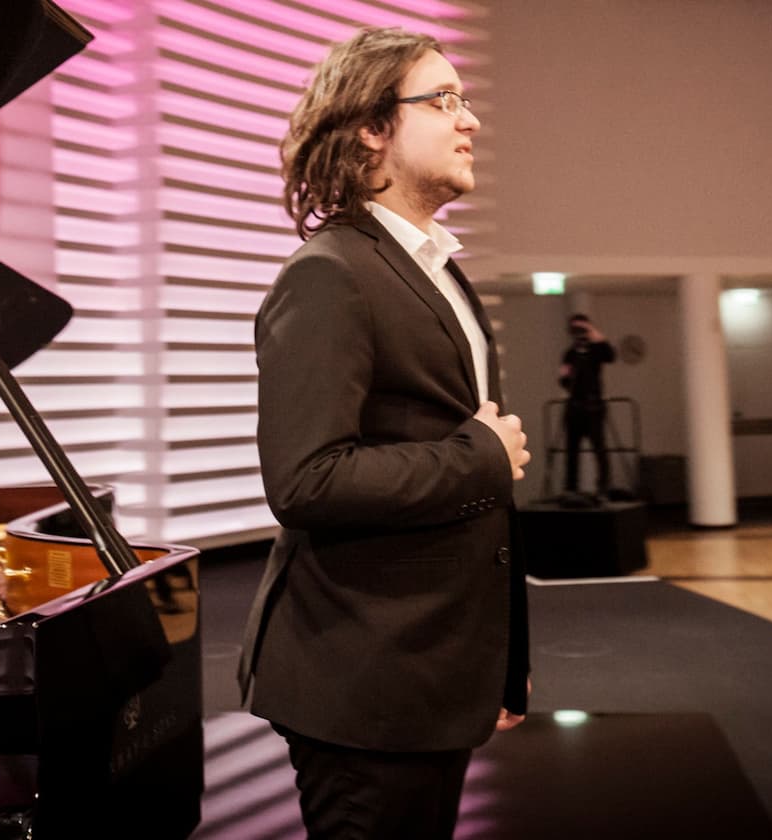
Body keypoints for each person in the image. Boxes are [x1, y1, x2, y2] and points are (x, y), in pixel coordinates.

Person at [237, 27, 531, 839]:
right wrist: (482, 458)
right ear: (372, 125)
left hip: (431, 671)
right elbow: (306, 482)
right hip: (363, 684)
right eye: (443, 100)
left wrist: (503, 665)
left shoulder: (436, 267)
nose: (468, 118)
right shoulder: (330, 274)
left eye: (464, 99)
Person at [558, 313, 617, 498]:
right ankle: (571, 488)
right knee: (571, 450)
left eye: (581, 328)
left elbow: (611, 356)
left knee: (600, 448)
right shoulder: (570, 354)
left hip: (594, 406)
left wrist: (593, 334)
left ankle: (604, 487)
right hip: (575, 406)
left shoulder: (596, 350)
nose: (579, 332)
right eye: (575, 328)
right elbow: (563, 380)